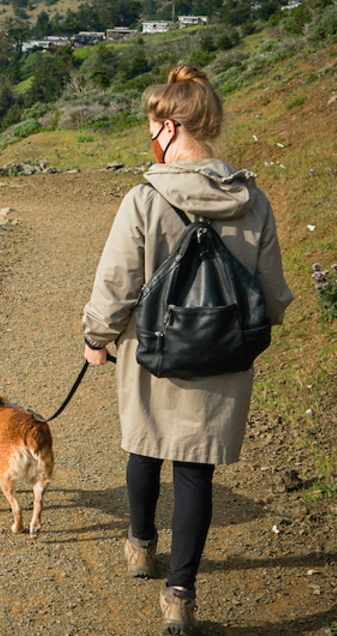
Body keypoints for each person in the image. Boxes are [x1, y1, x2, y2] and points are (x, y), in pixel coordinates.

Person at [81, 64, 294, 635]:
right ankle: (180, 595)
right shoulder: (253, 201)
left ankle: (140, 545)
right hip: (223, 358)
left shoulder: (144, 201)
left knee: (145, 448)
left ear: (170, 126)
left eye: (151, 125)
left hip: (153, 353)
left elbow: (117, 283)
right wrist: (240, 334)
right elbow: (273, 294)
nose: (148, 138)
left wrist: (97, 339)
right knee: (197, 472)